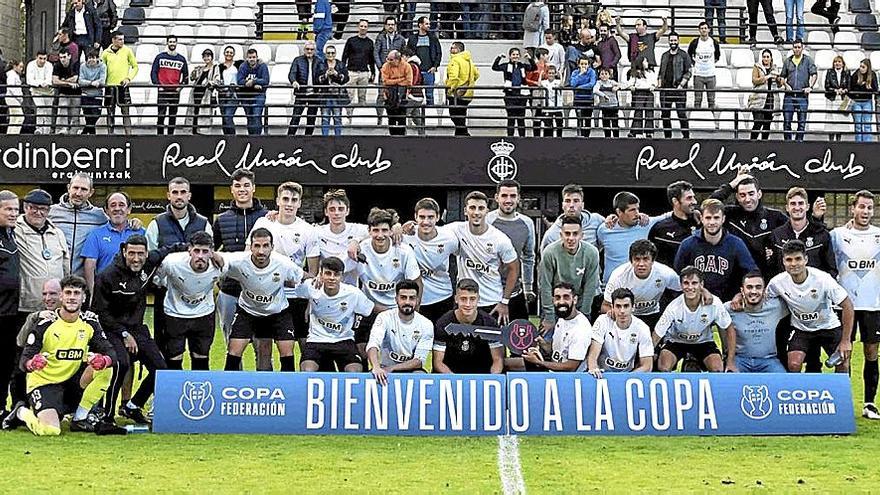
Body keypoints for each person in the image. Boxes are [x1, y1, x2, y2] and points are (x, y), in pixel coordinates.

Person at [1, 276, 114, 436]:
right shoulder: (44, 322)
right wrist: (33, 363)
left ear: (84, 298)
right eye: (68, 293)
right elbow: (24, 359)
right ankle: (21, 412)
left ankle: (79, 418)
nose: (72, 297)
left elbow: (111, 354)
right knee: (51, 430)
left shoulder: (90, 322)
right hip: (45, 384)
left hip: (71, 382)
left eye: (76, 293)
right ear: (62, 296)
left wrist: (102, 360)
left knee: (106, 368)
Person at [91, 235, 173, 425]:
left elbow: (170, 248)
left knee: (161, 370)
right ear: (124, 251)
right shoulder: (107, 276)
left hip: (137, 328)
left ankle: (133, 405)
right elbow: (100, 313)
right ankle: (107, 416)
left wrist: (197, 248)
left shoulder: (150, 261)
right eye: (132, 254)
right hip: (111, 329)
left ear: (146, 253)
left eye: (140, 254)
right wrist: (123, 334)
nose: (136, 259)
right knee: (121, 365)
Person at [250, 182, 319, 355]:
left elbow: (313, 273)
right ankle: (266, 382)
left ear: (299, 203)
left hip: (296, 297)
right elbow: (248, 258)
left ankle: (300, 381)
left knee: (304, 344)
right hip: (266, 295)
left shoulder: (308, 230)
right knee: (263, 346)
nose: (289, 203)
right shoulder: (263, 223)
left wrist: (296, 283)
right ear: (277, 201)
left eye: (294, 200)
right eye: (285, 199)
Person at [222, 228, 304, 372]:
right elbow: (218, 259)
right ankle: (227, 387)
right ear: (251, 247)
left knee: (287, 352)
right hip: (248, 310)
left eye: (265, 246)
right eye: (257, 246)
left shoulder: (283, 263)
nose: (261, 251)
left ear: (272, 247)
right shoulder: (239, 261)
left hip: (278, 312)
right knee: (234, 350)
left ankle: (289, 389)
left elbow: (302, 277)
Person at [768, 240, 853, 373]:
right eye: (789, 260)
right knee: (794, 365)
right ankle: (798, 393)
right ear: (783, 261)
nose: (794, 264)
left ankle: (839, 393)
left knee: (843, 363)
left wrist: (846, 341)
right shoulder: (776, 283)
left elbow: (847, 305)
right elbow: (765, 302)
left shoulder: (823, 279)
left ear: (806, 259)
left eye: (798, 259)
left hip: (828, 326)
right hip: (801, 329)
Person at [830, 190, 880, 419]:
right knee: (844, 353)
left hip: (873, 305)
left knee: (871, 351)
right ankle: (844, 404)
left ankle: (869, 403)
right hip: (845, 304)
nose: (865, 211)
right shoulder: (837, 235)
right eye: (862, 207)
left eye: (869, 208)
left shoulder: (879, 235)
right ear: (853, 208)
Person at [212, 169, 268, 367]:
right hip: (230, 291)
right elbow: (212, 251)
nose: (242, 189)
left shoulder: (268, 217)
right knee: (232, 344)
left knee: (262, 344)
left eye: (246, 185)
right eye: (237, 186)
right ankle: (236, 387)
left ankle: (263, 386)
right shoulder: (222, 219)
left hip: (260, 291)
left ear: (253, 188)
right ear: (231, 190)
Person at [352, 208, 420, 358]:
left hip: (396, 309)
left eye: (384, 230)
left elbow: (416, 282)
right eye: (375, 230)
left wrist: (415, 311)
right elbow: (340, 267)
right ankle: (365, 376)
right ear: (369, 231)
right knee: (361, 349)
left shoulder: (403, 250)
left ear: (391, 231)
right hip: (369, 307)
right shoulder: (361, 249)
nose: (380, 235)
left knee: (397, 352)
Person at [153, 232, 223, 371]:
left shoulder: (221, 265)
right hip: (174, 315)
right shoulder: (171, 263)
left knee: (201, 358)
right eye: (196, 251)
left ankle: (200, 392)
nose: (200, 256)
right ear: (189, 250)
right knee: (174, 357)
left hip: (204, 315)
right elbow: (158, 280)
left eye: (205, 251)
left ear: (211, 252)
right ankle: (175, 392)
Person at [448, 191, 519, 325]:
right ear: (465, 210)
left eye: (481, 208)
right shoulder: (455, 229)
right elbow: (432, 232)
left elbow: (514, 269)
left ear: (487, 210)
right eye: (472, 208)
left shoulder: (500, 239)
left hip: (491, 301)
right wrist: (406, 226)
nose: (476, 212)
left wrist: (504, 301)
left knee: (495, 344)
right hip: (465, 301)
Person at [293, 257, 374, 372]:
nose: (331, 278)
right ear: (320, 274)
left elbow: (368, 311)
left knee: (354, 372)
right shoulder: (311, 287)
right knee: (307, 371)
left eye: (336, 274)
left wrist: (356, 328)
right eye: (327, 273)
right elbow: (295, 288)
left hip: (344, 340)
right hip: (317, 340)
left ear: (341, 276)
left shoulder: (353, 293)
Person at [655, 266, 737, 372]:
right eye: (686, 283)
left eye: (694, 283)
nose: (690, 287)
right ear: (681, 285)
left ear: (701, 285)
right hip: (676, 341)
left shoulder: (714, 303)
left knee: (718, 369)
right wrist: (647, 356)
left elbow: (729, 328)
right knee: (663, 368)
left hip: (703, 342)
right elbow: (657, 334)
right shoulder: (674, 307)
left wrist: (730, 361)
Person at [674, 198, 758, 302]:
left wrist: (741, 294)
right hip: (696, 303)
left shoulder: (736, 244)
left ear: (723, 219)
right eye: (708, 218)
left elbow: (752, 273)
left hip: (728, 304)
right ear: (701, 218)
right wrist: (700, 290)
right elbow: (678, 275)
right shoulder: (688, 244)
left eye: (716, 218)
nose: (712, 222)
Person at [709, 173, 789, 277]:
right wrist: (733, 184)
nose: (747, 199)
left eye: (751, 194)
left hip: (767, 279)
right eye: (742, 195)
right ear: (737, 197)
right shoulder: (730, 214)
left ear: (759, 194)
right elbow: (710, 204)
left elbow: (795, 231)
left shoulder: (775, 217)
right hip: (735, 279)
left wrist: (777, 252)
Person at [14, 190, 70, 324]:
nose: (38, 212)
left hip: (56, 306)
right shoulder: (14, 230)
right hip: (28, 305)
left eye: (43, 209)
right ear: (25, 207)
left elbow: (66, 266)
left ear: (48, 210)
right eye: (33, 208)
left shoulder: (58, 233)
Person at [537, 215, 600, 333]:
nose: (571, 238)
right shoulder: (550, 252)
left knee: (581, 344)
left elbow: (590, 286)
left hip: (578, 305)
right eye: (567, 234)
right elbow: (545, 286)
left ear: (582, 235)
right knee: (546, 343)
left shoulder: (591, 253)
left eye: (575, 234)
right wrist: (549, 317)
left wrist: (584, 316)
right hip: (555, 304)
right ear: (561, 235)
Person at [602, 240, 680, 330]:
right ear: (631, 260)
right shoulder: (619, 275)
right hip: (626, 317)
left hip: (653, 315)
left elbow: (682, 289)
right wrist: (614, 313)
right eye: (637, 259)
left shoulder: (666, 273)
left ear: (653, 260)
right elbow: (605, 306)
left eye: (646, 259)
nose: (641, 264)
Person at [513, 282, 591, 372]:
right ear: (553, 300)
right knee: (506, 363)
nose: (561, 302)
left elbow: (571, 367)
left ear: (575, 300)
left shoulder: (581, 329)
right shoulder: (562, 319)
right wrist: (543, 344)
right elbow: (556, 351)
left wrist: (538, 362)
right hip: (553, 371)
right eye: (558, 298)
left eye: (566, 297)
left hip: (567, 379)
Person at [403, 198, 459, 323]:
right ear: (415, 217)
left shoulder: (449, 239)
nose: (426, 222)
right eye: (422, 217)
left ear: (438, 217)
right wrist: (397, 226)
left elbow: (461, 255)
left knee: (441, 340)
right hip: (413, 300)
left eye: (430, 217)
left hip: (443, 297)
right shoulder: (405, 236)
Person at [366, 280, 434, 383]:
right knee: (373, 376)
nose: (407, 302)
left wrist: (393, 368)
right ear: (396, 299)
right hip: (384, 367)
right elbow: (373, 344)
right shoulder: (384, 317)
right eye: (403, 297)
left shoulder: (426, 324)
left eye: (411, 298)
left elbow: (419, 361)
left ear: (417, 300)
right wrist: (376, 367)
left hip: (411, 369)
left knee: (420, 376)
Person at [487, 180, 535, 322]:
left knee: (522, 339)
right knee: (490, 340)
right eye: (504, 196)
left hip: (515, 292)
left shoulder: (527, 223)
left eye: (513, 196)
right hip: (490, 292)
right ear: (497, 198)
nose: (508, 200)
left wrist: (528, 288)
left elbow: (528, 257)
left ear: (518, 198)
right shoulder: (487, 221)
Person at [433, 278, 504, 374]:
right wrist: (457, 381)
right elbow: (438, 362)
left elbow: (498, 359)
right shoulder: (443, 323)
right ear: (456, 299)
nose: (468, 304)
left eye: (472, 299)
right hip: (451, 375)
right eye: (463, 299)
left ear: (478, 299)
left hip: (481, 375)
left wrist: (491, 379)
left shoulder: (489, 323)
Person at [596, 191, 666, 286]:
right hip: (611, 286)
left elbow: (669, 216)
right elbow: (596, 249)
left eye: (637, 209)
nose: (637, 213)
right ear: (619, 212)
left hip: (639, 286)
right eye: (632, 210)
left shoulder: (644, 224)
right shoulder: (604, 229)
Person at [80, 192, 144, 295]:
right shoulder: (96, 235)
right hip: (105, 293)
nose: (117, 208)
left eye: (121, 205)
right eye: (113, 205)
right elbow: (89, 266)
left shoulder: (141, 233)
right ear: (106, 210)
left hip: (134, 293)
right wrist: (93, 293)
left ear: (129, 209)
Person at [48, 174, 112, 276]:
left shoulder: (99, 216)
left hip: (82, 281)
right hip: (55, 278)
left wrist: (133, 222)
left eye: (83, 189)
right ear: (69, 188)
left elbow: (117, 226)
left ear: (91, 193)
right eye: (75, 188)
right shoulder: (51, 212)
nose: (78, 193)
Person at [727, 272, 789, 373]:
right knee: (729, 383)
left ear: (764, 291)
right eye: (749, 287)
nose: (754, 291)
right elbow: (711, 307)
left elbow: (797, 301)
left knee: (783, 382)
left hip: (769, 360)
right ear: (742, 290)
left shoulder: (777, 307)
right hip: (740, 360)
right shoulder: (730, 308)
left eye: (758, 287)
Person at [768, 187, 836, 277]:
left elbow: (831, 269)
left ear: (807, 207)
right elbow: (771, 269)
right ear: (787, 208)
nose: (797, 207)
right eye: (793, 204)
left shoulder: (822, 235)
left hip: (814, 289)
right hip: (785, 289)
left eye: (800, 203)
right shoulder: (776, 235)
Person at [587, 287, 653, 376]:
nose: (622, 311)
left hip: (628, 375)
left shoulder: (642, 328)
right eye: (618, 306)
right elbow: (593, 354)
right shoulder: (603, 321)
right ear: (612, 307)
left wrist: (626, 379)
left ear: (633, 307)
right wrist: (594, 368)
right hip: (601, 374)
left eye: (626, 306)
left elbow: (647, 366)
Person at [315, 189, 370, 285]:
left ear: (347, 211)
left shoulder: (357, 229)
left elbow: (379, 232)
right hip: (325, 287)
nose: (336, 213)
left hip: (350, 290)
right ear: (326, 212)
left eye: (341, 209)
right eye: (332, 209)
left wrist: (356, 241)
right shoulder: (317, 232)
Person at [0, 190, 20, 417]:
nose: (14, 213)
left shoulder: (11, 233)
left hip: (10, 313)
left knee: (6, 364)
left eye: (16, 209)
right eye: (8, 209)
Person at [648, 180, 699, 267]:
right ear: (675, 201)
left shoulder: (701, 222)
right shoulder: (660, 229)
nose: (695, 201)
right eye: (689, 198)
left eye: (693, 197)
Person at [541, 183, 604, 250]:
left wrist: (611, 218)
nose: (571, 205)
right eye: (567, 201)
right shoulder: (552, 234)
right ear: (562, 205)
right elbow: (545, 258)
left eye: (576, 201)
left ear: (582, 205)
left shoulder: (596, 221)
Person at [778, 40, 817, 142]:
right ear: (792, 48)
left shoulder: (808, 60)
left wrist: (811, 87)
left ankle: (799, 144)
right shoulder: (787, 61)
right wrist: (785, 85)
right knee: (787, 121)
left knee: (801, 122)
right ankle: (788, 144)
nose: (797, 49)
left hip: (802, 95)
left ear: (802, 48)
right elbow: (782, 77)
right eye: (795, 47)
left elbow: (814, 74)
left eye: (799, 47)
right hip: (789, 96)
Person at [101, 31, 137, 135]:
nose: (122, 41)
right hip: (110, 85)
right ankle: (110, 135)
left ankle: (128, 135)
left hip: (123, 85)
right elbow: (102, 69)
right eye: (120, 39)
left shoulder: (127, 51)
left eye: (123, 39)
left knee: (125, 112)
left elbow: (135, 67)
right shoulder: (105, 53)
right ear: (113, 40)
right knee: (110, 112)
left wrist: (128, 78)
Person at [150, 36, 187, 136]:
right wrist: (158, 85)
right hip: (163, 91)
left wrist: (180, 87)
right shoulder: (160, 57)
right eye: (170, 42)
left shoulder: (181, 59)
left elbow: (186, 76)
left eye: (174, 42)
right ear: (167, 43)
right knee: (161, 115)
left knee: (172, 115)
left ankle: (170, 136)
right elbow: (153, 72)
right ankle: (160, 136)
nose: (172, 44)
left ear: (176, 43)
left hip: (175, 91)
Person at [687, 22, 721, 129]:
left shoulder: (714, 42)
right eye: (702, 28)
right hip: (698, 75)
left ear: (709, 30)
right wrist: (696, 64)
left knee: (712, 100)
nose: (704, 30)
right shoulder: (695, 42)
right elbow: (689, 55)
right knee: (697, 99)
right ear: (699, 30)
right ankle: (696, 122)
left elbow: (717, 56)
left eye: (705, 28)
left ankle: (713, 122)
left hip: (711, 75)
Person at [493, 48, 533, 137]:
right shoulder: (506, 66)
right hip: (510, 94)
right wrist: (499, 57)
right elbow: (495, 67)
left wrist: (529, 58)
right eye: (513, 55)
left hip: (521, 94)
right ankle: (510, 137)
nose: (515, 56)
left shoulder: (522, 66)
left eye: (517, 54)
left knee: (521, 119)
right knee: (511, 118)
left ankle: (522, 137)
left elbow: (533, 67)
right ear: (510, 56)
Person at [287, 41, 325, 136]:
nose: (309, 51)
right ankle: (289, 138)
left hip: (314, 94)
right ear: (304, 50)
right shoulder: (297, 60)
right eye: (307, 49)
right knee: (296, 117)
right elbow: (292, 73)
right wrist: (294, 81)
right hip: (301, 93)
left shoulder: (319, 60)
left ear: (315, 50)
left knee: (311, 119)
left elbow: (321, 75)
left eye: (311, 49)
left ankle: (308, 139)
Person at [658, 33, 692, 139]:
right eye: (671, 41)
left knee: (681, 114)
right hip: (665, 89)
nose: (673, 42)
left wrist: (682, 84)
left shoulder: (684, 55)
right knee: (665, 115)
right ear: (668, 41)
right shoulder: (664, 55)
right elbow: (661, 71)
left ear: (678, 41)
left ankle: (686, 136)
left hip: (679, 89)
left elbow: (688, 72)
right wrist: (659, 83)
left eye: (675, 40)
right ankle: (667, 137)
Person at [341, 19, 376, 122]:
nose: (363, 28)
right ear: (358, 27)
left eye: (365, 26)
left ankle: (360, 118)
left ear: (367, 28)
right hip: (351, 72)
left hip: (364, 73)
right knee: (350, 97)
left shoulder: (370, 42)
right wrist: (344, 70)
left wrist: (373, 72)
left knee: (362, 97)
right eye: (361, 26)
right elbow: (344, 56)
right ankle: (349, 118)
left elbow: (371, 59)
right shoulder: (351, 40)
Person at [374, 17, 407, 124]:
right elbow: (376, 53)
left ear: (395, 26)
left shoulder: (401, 39)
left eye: (392, 24)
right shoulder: (380, 38)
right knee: (381, 94)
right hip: (384, 72)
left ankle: (395, 118)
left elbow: (403, 55)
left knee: (397, 94)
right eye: (388, 24)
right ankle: (379, 117)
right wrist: (381, 67)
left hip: (397, 73)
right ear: (385, 26)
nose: (390, 26)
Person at [406, 17, 442, 114]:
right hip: (416, 72)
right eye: (426, 24)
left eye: (429, 24)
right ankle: (415, 115)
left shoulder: (433, 38)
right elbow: (408, 53)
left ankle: (430, 116)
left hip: (429, 71)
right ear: (420, 25)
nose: (428, 26)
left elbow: (438, 53)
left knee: (430, 94)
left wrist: (435, 66)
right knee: (415, 94)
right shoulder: (412, 38)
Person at [445, 42, 479, 137]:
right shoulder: (469, 61)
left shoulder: (455, 60)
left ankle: (464, 133)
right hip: (468, 93)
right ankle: (460, 135)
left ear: (458, 49)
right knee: (462, 115)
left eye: (452, 48)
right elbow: (476, 74)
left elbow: (453, 77)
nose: (450, 50)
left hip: (456, 94)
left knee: (454, 115)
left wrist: (450, 89)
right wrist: (470, 83)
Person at [318, 44, 349, 136]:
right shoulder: (321, 64)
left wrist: (337, 74)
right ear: (325, 54)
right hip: (325, 96)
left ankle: (338, 138)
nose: (330, 55)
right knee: (325, 118)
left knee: (337, 118)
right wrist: (325, 75)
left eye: (332, 53)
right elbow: (317, 79)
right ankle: (325, 138)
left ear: (335, 54)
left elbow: (346, 79)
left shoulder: (341, 64)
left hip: (337, 95)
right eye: (328, 53)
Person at [236, 48, 269, 135]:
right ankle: (251, 137)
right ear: (247, 58)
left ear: (257, 57)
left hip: (259, 95)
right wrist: (255, 84)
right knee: (249, 117)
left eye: (253, 57)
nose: (252, 59)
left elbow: (265, 81)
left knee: (256, 116)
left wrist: (253, 81)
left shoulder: (263, 66)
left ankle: (257, 138)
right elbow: (239, 81)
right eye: (250, 57)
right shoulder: (243, 66)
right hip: (245, 95)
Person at [189, 48, 221, 135]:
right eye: (205, 56)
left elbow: (217, 80)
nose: (206, 58)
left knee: (204, 117)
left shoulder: (215, 67)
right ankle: (194, 133)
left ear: (212, 57)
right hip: (195, 94)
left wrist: (209, 83)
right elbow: (192, 79)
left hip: (206, 95)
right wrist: (194, 74)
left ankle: (203, 136)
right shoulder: (201, 68)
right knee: (195, 115)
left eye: (208, 56)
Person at [380, 50, 412, 136]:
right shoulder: (385, 66)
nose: (388, 61)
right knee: (391, 119)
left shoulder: (407, 66)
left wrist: (393, 81)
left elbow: (409, 82)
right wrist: (400, 80)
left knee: (402, 119)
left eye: (391, 59)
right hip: (389, 96)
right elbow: (385, 81)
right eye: (387, 59)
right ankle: (392, 137)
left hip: (402, 96)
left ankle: (402, 137)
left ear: (397, 59)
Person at [749, 49, 779, 140]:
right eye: (764, 57)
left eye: (767, 57)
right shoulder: (757, 67)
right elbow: (755, 80)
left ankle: (764, 143)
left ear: (771, 58)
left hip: (770, 99)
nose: (766, 59)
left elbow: (779, 84)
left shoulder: (775, 68)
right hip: (758, 98)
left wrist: (778, 78)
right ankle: (752, 142)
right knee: (758, 122)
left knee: (767, 123)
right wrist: (767, 77)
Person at [52, 49, 81, 135]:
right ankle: (63, 130)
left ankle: (73, 133)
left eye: (64, 57)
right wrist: (68, 83)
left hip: (76, 93)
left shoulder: (75, 63)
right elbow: (55, 81)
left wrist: (62, 81)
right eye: (60, 57)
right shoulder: (57, 65)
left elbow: (75, 78)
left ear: (69, 56)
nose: (62, 59)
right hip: (63, 92)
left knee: (75, 114)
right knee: (62, 112)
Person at [624, 56, 654, 138]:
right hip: (640, 92)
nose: (647, 63)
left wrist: (653, 86)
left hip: (649, 92)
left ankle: (649, 131)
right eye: (645, 61)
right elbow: (629, 83)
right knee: (638, 111)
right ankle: (636, 130)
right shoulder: (635, 74)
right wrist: (630, 87)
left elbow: (654, 82)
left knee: (649, 111)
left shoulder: (650, 73)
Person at [849, 58, 877, 143]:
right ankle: (859, 143)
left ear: (867, 68)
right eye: (860, 66)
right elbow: (851, 89)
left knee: (867, 124)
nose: (861, 68)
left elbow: (875, 89)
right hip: (857, 101)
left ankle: (867, 143)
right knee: (858, 124)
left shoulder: (872, 75)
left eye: (863, 67)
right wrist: (861, 86)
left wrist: (868, 87)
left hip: (867, 101)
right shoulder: (856, 74)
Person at [78, 49, 105, 135]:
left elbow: (102, 80)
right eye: (89, 58)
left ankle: (85, 132)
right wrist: (91, 83)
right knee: (87, 117)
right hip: (85, 95)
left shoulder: (102, 66)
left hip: (97, 95)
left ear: (97, 58)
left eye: (93, 58)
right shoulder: (83, 66)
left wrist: (97, 82)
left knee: (96, 115)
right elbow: (80, 81)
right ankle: (92, 136)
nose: (91, 60)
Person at [27, 51, 54, 135]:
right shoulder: (31, 65)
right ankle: (39, 128)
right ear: (36, 57)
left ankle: (47, 131)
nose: (42, 61)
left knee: (48, 111)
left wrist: (43, 83)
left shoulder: (49, 65)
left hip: (48, 91)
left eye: (44, 59)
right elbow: (29, 80)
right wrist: (39, 83)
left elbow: (49, 79)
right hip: (36, 90)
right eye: (40, 58)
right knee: (40, 108)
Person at [824, 55, 849, 141]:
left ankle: (839, 140)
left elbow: (849, 85)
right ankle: (831, 140)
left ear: (843, 64)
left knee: (840, 121)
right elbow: (827, 85)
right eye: (835, 62)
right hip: (831, 98)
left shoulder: (847, 73)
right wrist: (835, 90)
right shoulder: (829, 72)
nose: (837, 63)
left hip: (842, 99)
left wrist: (844, 90)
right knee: (831, 120)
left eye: (839, 62)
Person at [569, 57, 596, 138]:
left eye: (585, 64)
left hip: (588, 98)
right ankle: (580, 135)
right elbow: (572, 84)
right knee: (579, 118)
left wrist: (579, 87)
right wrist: (580, 74)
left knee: (587, 119)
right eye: (582, 64)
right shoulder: (575, 72)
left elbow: (591, 84)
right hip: (578, 98)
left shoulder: (592, 72)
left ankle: (586, 136)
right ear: (578, 64)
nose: (584, 66)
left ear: (588, 65)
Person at [219, 45, 243, 135]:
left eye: (231, 52)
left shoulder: (239, 64)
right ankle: (226, 138)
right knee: (224, 118)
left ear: (234, 54)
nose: (229, 54)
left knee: (228, 117)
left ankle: (232, 138)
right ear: (224, 53)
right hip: (222, 94)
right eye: (227, 52)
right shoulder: (220, 66)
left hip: (233, 94)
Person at [592, 67, 619, 137]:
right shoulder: (599, 83)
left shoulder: (612, 82)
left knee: (615, 123)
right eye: (602, 74)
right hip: (604, 106)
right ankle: (607, 138)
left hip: (614, 105)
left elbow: (620, 85)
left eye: (606, 74)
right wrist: (603, 95)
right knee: (606, 123)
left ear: (609, 75)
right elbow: (595, 90)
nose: (604, 75)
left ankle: (616, 138)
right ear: (599, 75)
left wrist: (617, 87)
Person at [538, 64, 564, 137]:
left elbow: (562, 85)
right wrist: (541, 75)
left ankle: (559, 140)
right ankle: (548, 141)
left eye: (553, 73)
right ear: (547, 73)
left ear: (555, 73)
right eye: (549, 73)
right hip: (547, 107)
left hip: (557, 107)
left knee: (559, 125)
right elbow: (539, 85)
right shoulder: (544, 82)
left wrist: (561, 75)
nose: (551, 75)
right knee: (548, 126)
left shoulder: (558, 81)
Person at [4, 60, 24, 135]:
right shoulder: (12, 75)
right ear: (15, 66)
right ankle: (14, 135)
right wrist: (19, 97)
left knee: (13, 118)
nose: (21, 69)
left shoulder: (13, 74)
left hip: (12, 98)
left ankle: (10, 135)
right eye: (20, 67)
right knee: (20, 117)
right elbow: (12, 87)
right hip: (13, 98)